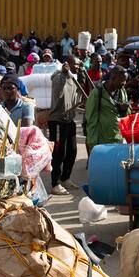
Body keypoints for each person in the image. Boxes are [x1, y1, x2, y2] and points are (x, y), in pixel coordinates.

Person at [48, 54, 84, 195]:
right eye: (74, 64)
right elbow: (58, 92)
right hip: (57, 120)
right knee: (58, 153)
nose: (76, 67)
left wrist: (80, 75)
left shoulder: (73, 78)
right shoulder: (58, 77)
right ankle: (55, 183)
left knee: (72, 150)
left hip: (69, 119)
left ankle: (65, 178)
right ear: (67, 64)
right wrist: (64, 72)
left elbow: (78, 96)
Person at [84, 66, 128, 155]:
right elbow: (91, 119)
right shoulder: (97, 93)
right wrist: (92, 144)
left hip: (118, 139)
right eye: (122, 80)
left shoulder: (122, 92)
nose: (124, 83)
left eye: (125, 80)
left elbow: (126, 117)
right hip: (102, 142)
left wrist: (124, 109)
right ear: (113, 78)